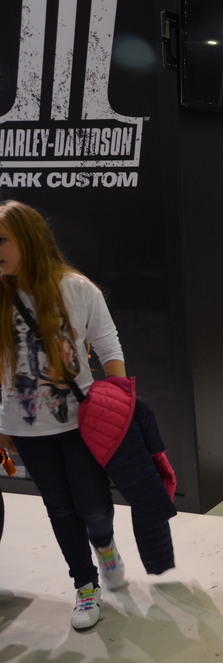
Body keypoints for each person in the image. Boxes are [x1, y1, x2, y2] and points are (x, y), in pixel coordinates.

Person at [0, 201, 129, 630]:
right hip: (25, 426)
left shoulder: (76, 288)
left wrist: (119, 402)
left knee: (93, 505)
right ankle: (84, 584)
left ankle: (105, 545)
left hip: (80, 421)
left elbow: (108, 346)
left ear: (29, 240)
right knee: (59, 507)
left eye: (1, 240)